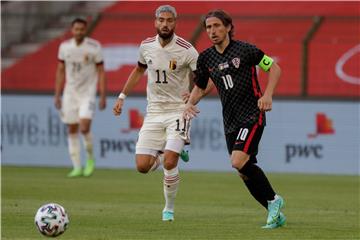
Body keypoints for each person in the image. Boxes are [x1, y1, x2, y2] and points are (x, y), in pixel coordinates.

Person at [183, 9, 286, 229]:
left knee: (237, 161)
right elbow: (200, 87)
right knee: (242, 171)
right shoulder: (206, 58)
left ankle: (275, 200)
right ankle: (274, 213)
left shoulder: (246, 50)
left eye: (217, 26)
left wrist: (267, 95)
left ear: (228, 27)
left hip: (252, 114)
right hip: (230, 119)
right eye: (208, 27)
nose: (212, 31)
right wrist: (189, 104)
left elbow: (274, 68)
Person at [113, 5, 198, 222]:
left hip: (178, 111)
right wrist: (122, 96)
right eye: (161, 20)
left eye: (169, 20)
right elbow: (139, 70)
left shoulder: (186, 49)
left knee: (170, 163)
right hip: (153, 112)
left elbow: (202, 77)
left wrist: (193, 96)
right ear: (155, 22)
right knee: (142, 167)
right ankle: (174, 151)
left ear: (175, 23)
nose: (165, 24)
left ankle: (168, 209)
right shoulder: (146, 46)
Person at [54, 18, 106, 178]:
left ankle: (90, 159)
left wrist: (102, 95)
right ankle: (76, 166)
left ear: (86, 30)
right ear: (72, 30)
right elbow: (60, 70)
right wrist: (57, 94)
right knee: (72, 129)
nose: (79, 32)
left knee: (84, 127)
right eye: (76, 29)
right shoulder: (64, 47)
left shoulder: (94, 47)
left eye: (81, 29)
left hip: (87, 93)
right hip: (70, 93)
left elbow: (101, 71)